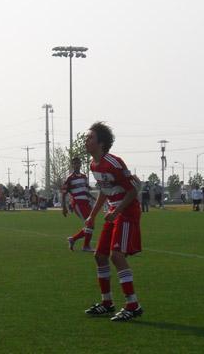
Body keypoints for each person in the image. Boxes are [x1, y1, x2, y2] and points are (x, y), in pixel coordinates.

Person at [83, 122, 143, 322]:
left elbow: (134, 190)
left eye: (90, 137)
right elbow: (104, 190)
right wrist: (92, 215)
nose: (86, 140)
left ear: (101, 143)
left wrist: (117, 210)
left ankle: (133, 305)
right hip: (114, 212)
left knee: (116, 256)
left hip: (126, 212)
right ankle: (107, 303)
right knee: (100, 256)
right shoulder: (93, 165)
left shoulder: (114, 163)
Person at [61, 157, 95, 252]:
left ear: (80, 164)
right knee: (90, 224)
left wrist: (91, 197)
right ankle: (86, 246)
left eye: (78, 163)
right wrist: (64, 208)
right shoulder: (70, 178)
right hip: (78, 204)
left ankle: (73, 239)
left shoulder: (84, 177)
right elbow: (64, 193)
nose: (77, 165)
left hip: (86, 203)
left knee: (91, 224)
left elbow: (85, 190)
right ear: (72, 165)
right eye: (75, 163)